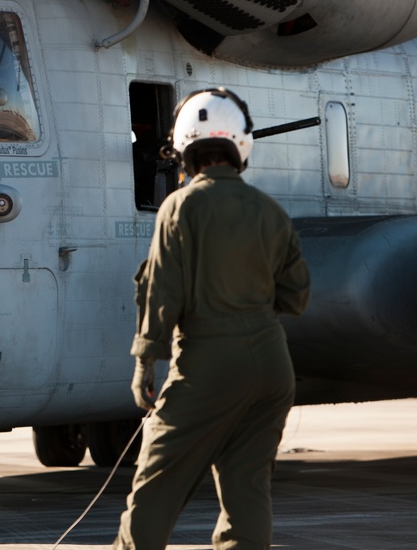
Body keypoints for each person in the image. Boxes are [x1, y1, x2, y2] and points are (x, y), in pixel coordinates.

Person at [115, 88, 311, 550]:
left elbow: (162, 291)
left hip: (207, 364)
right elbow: (297, 296)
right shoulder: (272, 212)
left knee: (157, 485)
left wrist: (146, 363)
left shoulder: (180, 207)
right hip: (271, 367)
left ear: (184, 148)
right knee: (247, 487)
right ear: (241, 145)